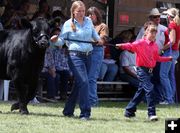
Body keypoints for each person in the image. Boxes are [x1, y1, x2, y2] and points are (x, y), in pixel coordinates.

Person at [50, 1, 103, 120]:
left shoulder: (88, 21)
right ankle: (85, 113)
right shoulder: (68, 24)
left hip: (88, 55)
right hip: (75, 56)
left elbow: (94, 34)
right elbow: (61, 41)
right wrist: (55, 40)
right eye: (79, 11)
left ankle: (68, 110)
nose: (81, 13)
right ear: (73, 11)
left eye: (83, 11)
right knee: (84, 82)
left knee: (79, 85)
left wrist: (98, 40)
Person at [116, 23, 172, 121]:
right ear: (146, 32)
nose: (153, 34)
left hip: (150, 72)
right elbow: (130, 46)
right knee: (150, 89)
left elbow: (157, 58)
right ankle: (151, 113)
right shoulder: (140, 43)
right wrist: (121, 45)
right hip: (142, 70)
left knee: (141, 92)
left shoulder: (155, 46)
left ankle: (129, 111)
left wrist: (167, 59)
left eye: (155, 33)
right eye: (151, 32)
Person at [136, 8, 167, 104]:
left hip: (158, 56)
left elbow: (172, 41)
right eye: (155, 17)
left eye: (158, 16)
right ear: (150, 18)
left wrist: (163, 50)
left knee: (157, 78)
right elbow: (138, 42)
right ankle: (146, 99)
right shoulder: (144, 29)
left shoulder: (164, 29)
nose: (157, 18)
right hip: (146, 57)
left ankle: (158, 98)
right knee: (147, 78)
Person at [86, 6, 109, 106]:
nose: (90, 16)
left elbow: (102, 40)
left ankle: (93, 101)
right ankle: (85, 100)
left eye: (92, 14)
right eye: (89, 14)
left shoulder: (102, 26)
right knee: (85, 78)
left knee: (92, 78)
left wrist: (90, 40)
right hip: (86, 51)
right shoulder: (85, 26)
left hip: (96, 52)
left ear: (97, 15)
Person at [160, 8, 180, 104]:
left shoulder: (172, 24)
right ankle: (171, 98)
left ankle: (168, 99)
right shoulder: (178, 25)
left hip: (170, 52)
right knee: (170, 76)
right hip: (175, 52)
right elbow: (178, 42)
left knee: (163, 75)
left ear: (169, 16)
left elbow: (171, 41)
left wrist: (162, 49)